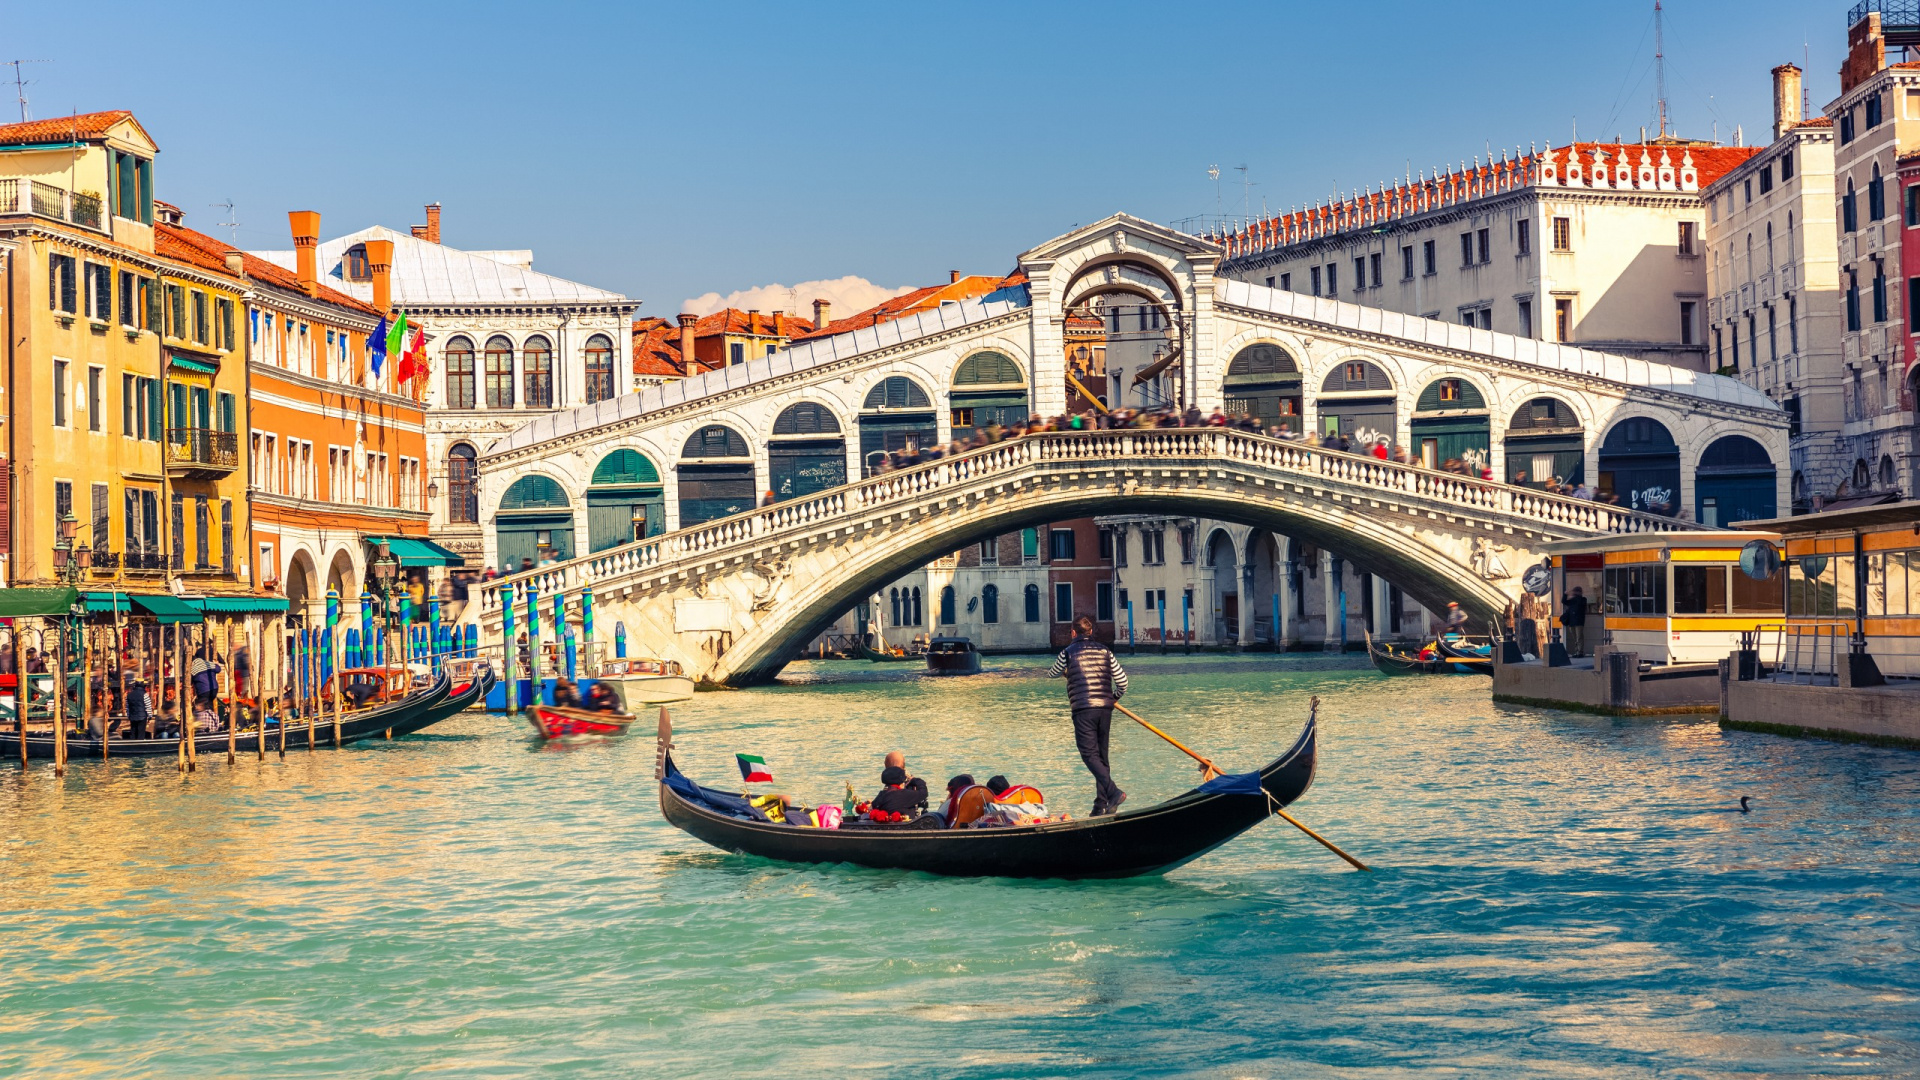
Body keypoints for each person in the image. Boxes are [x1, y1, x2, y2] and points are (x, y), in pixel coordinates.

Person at [1047, 614, 1130, 815]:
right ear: (1091, 632)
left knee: (1089, 755)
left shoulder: (1067, 652)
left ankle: (1113, 792)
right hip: (1105, 708)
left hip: (1083, 709)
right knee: (1101, 756)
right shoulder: (1105, 651)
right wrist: (1114, 697)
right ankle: (1101, 805)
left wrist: (1066, 671)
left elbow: (1052, 673)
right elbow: (1123, 682)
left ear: (1073, 633)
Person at [1560, 586, 1589, 658]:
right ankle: (1577, 651)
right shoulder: (1572, 600)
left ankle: (1580, 652)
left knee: (1579, 637)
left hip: (1579, 621)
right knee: (1575, 637)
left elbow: (1580, 603)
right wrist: (1565, 595)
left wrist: (1573, 595)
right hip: (1572, 621)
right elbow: (1564, 601)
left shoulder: (1582, 599)